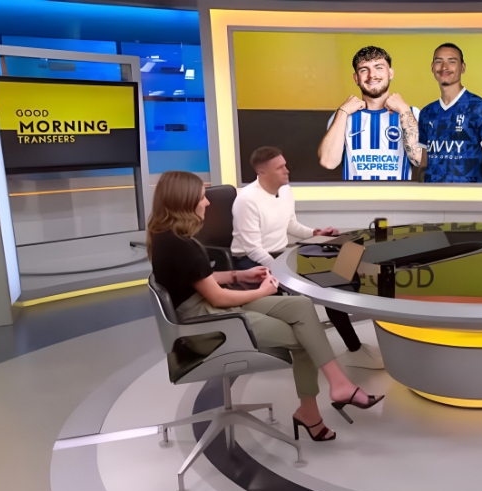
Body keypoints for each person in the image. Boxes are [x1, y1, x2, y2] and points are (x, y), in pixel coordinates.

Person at [147, 170, 383, 442]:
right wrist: (261, 291)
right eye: (202, 197)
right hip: (208, 322)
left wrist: (240, 275)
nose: (208, 202)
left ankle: (338, 386)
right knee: (305, 336)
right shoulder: (183, 246)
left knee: (301, 306)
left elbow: (198, 280)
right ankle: (314, 409)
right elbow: (218, 298)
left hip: (202, 308)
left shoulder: (166, 237)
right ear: (185, 202)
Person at [232, 146, 385, 370]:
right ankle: (349, 350)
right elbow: (253, 249)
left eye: (285, 165)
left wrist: (315, 233)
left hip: (279, 256)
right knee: (324, 286)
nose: (287, 170)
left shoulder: (285, 190)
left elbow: (291, 225)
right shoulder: (247, 200)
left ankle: (355, 349)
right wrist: (284, 271)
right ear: (262, 172)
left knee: (336, 279)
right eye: (280, 167)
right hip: (251, 262)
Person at [318, 46, 421, 181]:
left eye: (379, 67)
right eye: (364, 70)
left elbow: (419, 159)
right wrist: (342, 112)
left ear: (390, 73)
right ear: (356, 78)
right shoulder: (343, 116)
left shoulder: (412, 113)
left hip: (396, 195)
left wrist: (404, 109)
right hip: (355, 195)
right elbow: (328, 162)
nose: (372, 75)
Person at [416, 43, 482, 183]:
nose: (444, 67)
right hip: (432, 196)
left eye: (452, 61)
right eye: (439, 61)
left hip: (469, 196)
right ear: (432, 67)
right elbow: (424, 165)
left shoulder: (479, 108)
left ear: (463, 67)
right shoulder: (426, 112)